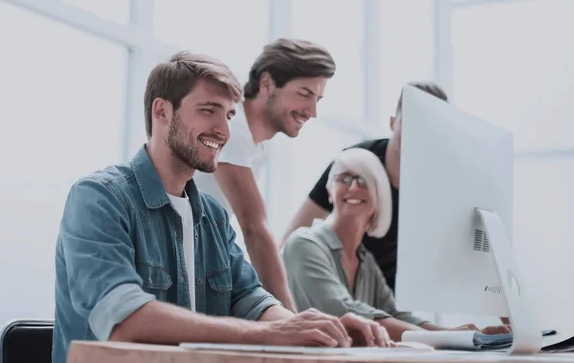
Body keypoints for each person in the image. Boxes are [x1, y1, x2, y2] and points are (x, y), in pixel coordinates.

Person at [52, 52, 390, 363]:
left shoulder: (211, 216)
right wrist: (272, 333)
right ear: (162, 111)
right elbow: (124, 319)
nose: (224, 130)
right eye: (208, 110)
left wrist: (317, 329)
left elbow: (251, 301)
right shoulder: (98, 198)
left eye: (229, 115)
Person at [282, 148, 511, 341]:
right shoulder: (303, 244)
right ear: (330, 192)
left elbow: (395, 314)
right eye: (344, 179)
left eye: (363, 180)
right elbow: (341, 309)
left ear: (379, 196)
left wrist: (460, 336)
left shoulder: (366, 261)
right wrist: (441, 338)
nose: (352, 188)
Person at [194, 38, 336, 311]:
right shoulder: (231, 130)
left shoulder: (256, 146)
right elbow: (254, 229)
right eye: (305, 93)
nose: (313, 111)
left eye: (318, 99)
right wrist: (293, 320)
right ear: (267, 83)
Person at [282, 82, 447, 294]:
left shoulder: (438, 183)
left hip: (387, 295)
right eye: (411, 122)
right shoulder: (353, 164)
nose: (418, 134)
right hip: (336, 285)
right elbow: (294, 234)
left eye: (429, 126)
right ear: (392, 123)